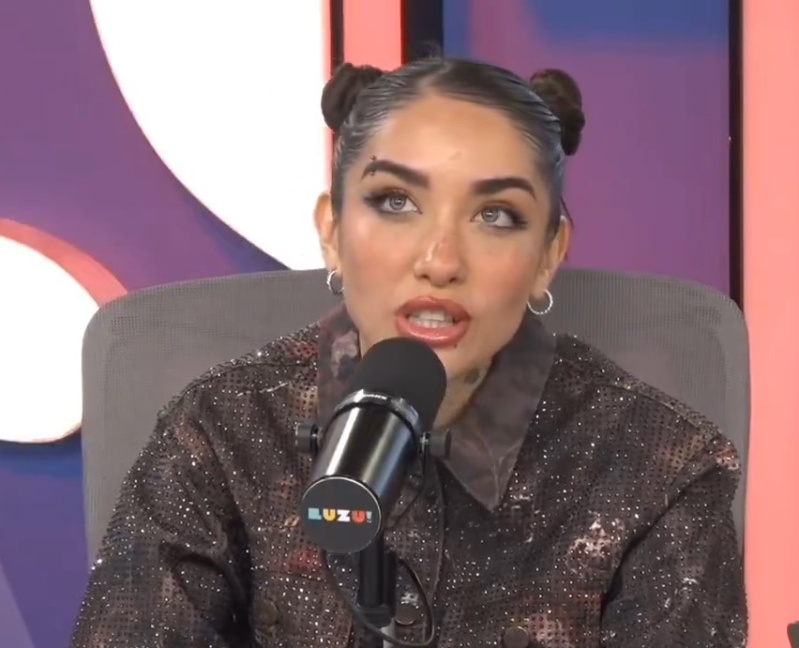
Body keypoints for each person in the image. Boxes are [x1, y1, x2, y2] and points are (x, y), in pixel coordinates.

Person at [69, 57, 747, 648]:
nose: (440, 260)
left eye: (496, 216)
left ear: (547, 254)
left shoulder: (661, 466)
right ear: (333, 231)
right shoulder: (221, 430)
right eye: (394, 202)